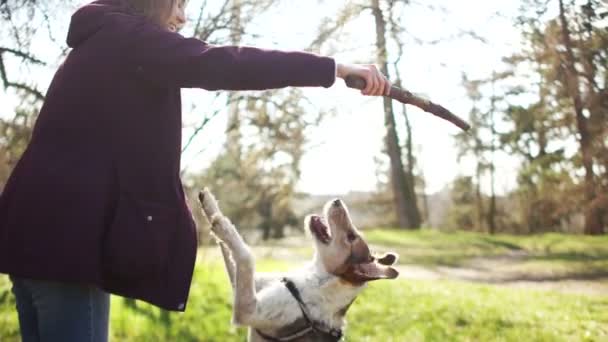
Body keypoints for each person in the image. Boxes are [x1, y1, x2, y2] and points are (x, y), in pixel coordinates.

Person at [0, 0, 391, 341]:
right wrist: (334, 68)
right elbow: (225, 64)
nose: (183, 19)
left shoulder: (99, 43)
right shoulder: (128, 37)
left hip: (33, 240)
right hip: (69, 247)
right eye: (179, 3)